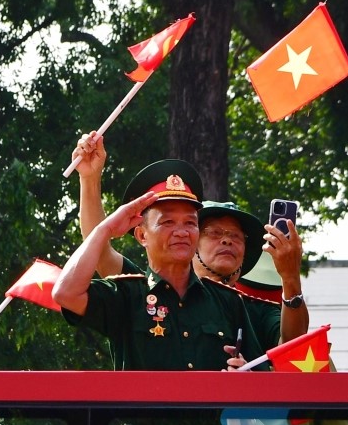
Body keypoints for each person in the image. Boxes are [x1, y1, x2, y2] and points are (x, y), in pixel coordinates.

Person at [54, 158, 277, 425]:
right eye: (168, 222)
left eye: (190, 222)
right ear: (142, 235)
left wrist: (246, 378)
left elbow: (265, 379)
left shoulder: (228, 303)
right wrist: (106, 229)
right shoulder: (127, 295)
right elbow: (65, 293)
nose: (182, 231)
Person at [69, 130, 309, 344]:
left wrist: (290, 278)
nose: (227, 241)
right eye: (214, 233)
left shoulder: (250, 309)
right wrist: (90, 180)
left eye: (237, 236)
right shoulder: (142, 293)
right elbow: (100, 252)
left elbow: (295, 346)